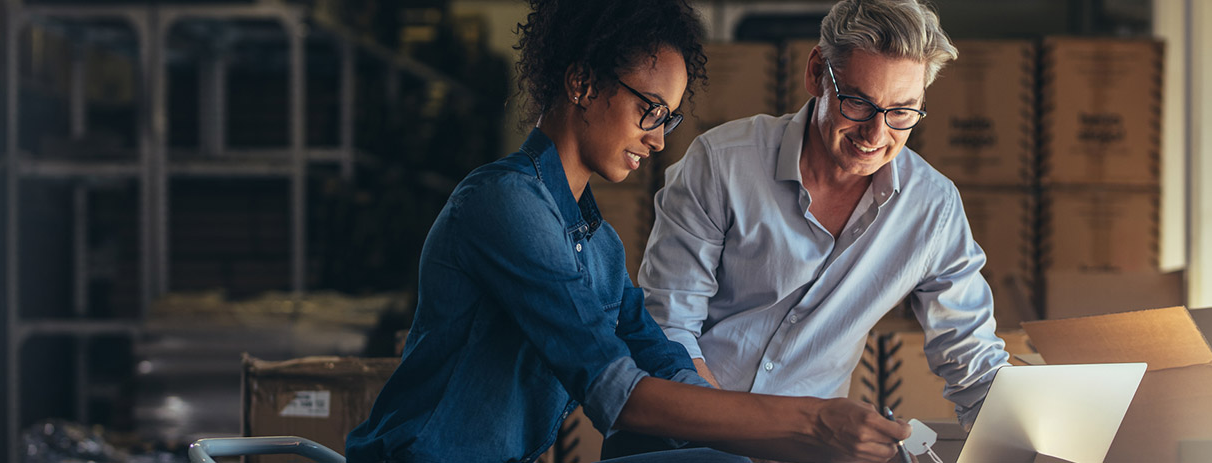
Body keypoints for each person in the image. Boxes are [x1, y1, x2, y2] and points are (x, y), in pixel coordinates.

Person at [344, 1, 908, 462]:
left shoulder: (598, 245)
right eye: (650, 110)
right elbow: (614, 392)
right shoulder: (505, 204)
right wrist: (811, 422)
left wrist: (783, 443)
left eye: (669, 118)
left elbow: (662, 361)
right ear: (583, 83)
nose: (660, 139)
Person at [618, 0, 1010, 456]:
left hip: (806, 450)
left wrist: (1025, 441)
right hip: (680, 441)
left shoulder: (932, 208)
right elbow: (669, 334)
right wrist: (749, 437)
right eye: (858, 103)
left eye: (902, 112)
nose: (876, 136)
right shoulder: (721, 164)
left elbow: (973, 362)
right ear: (817, 73)